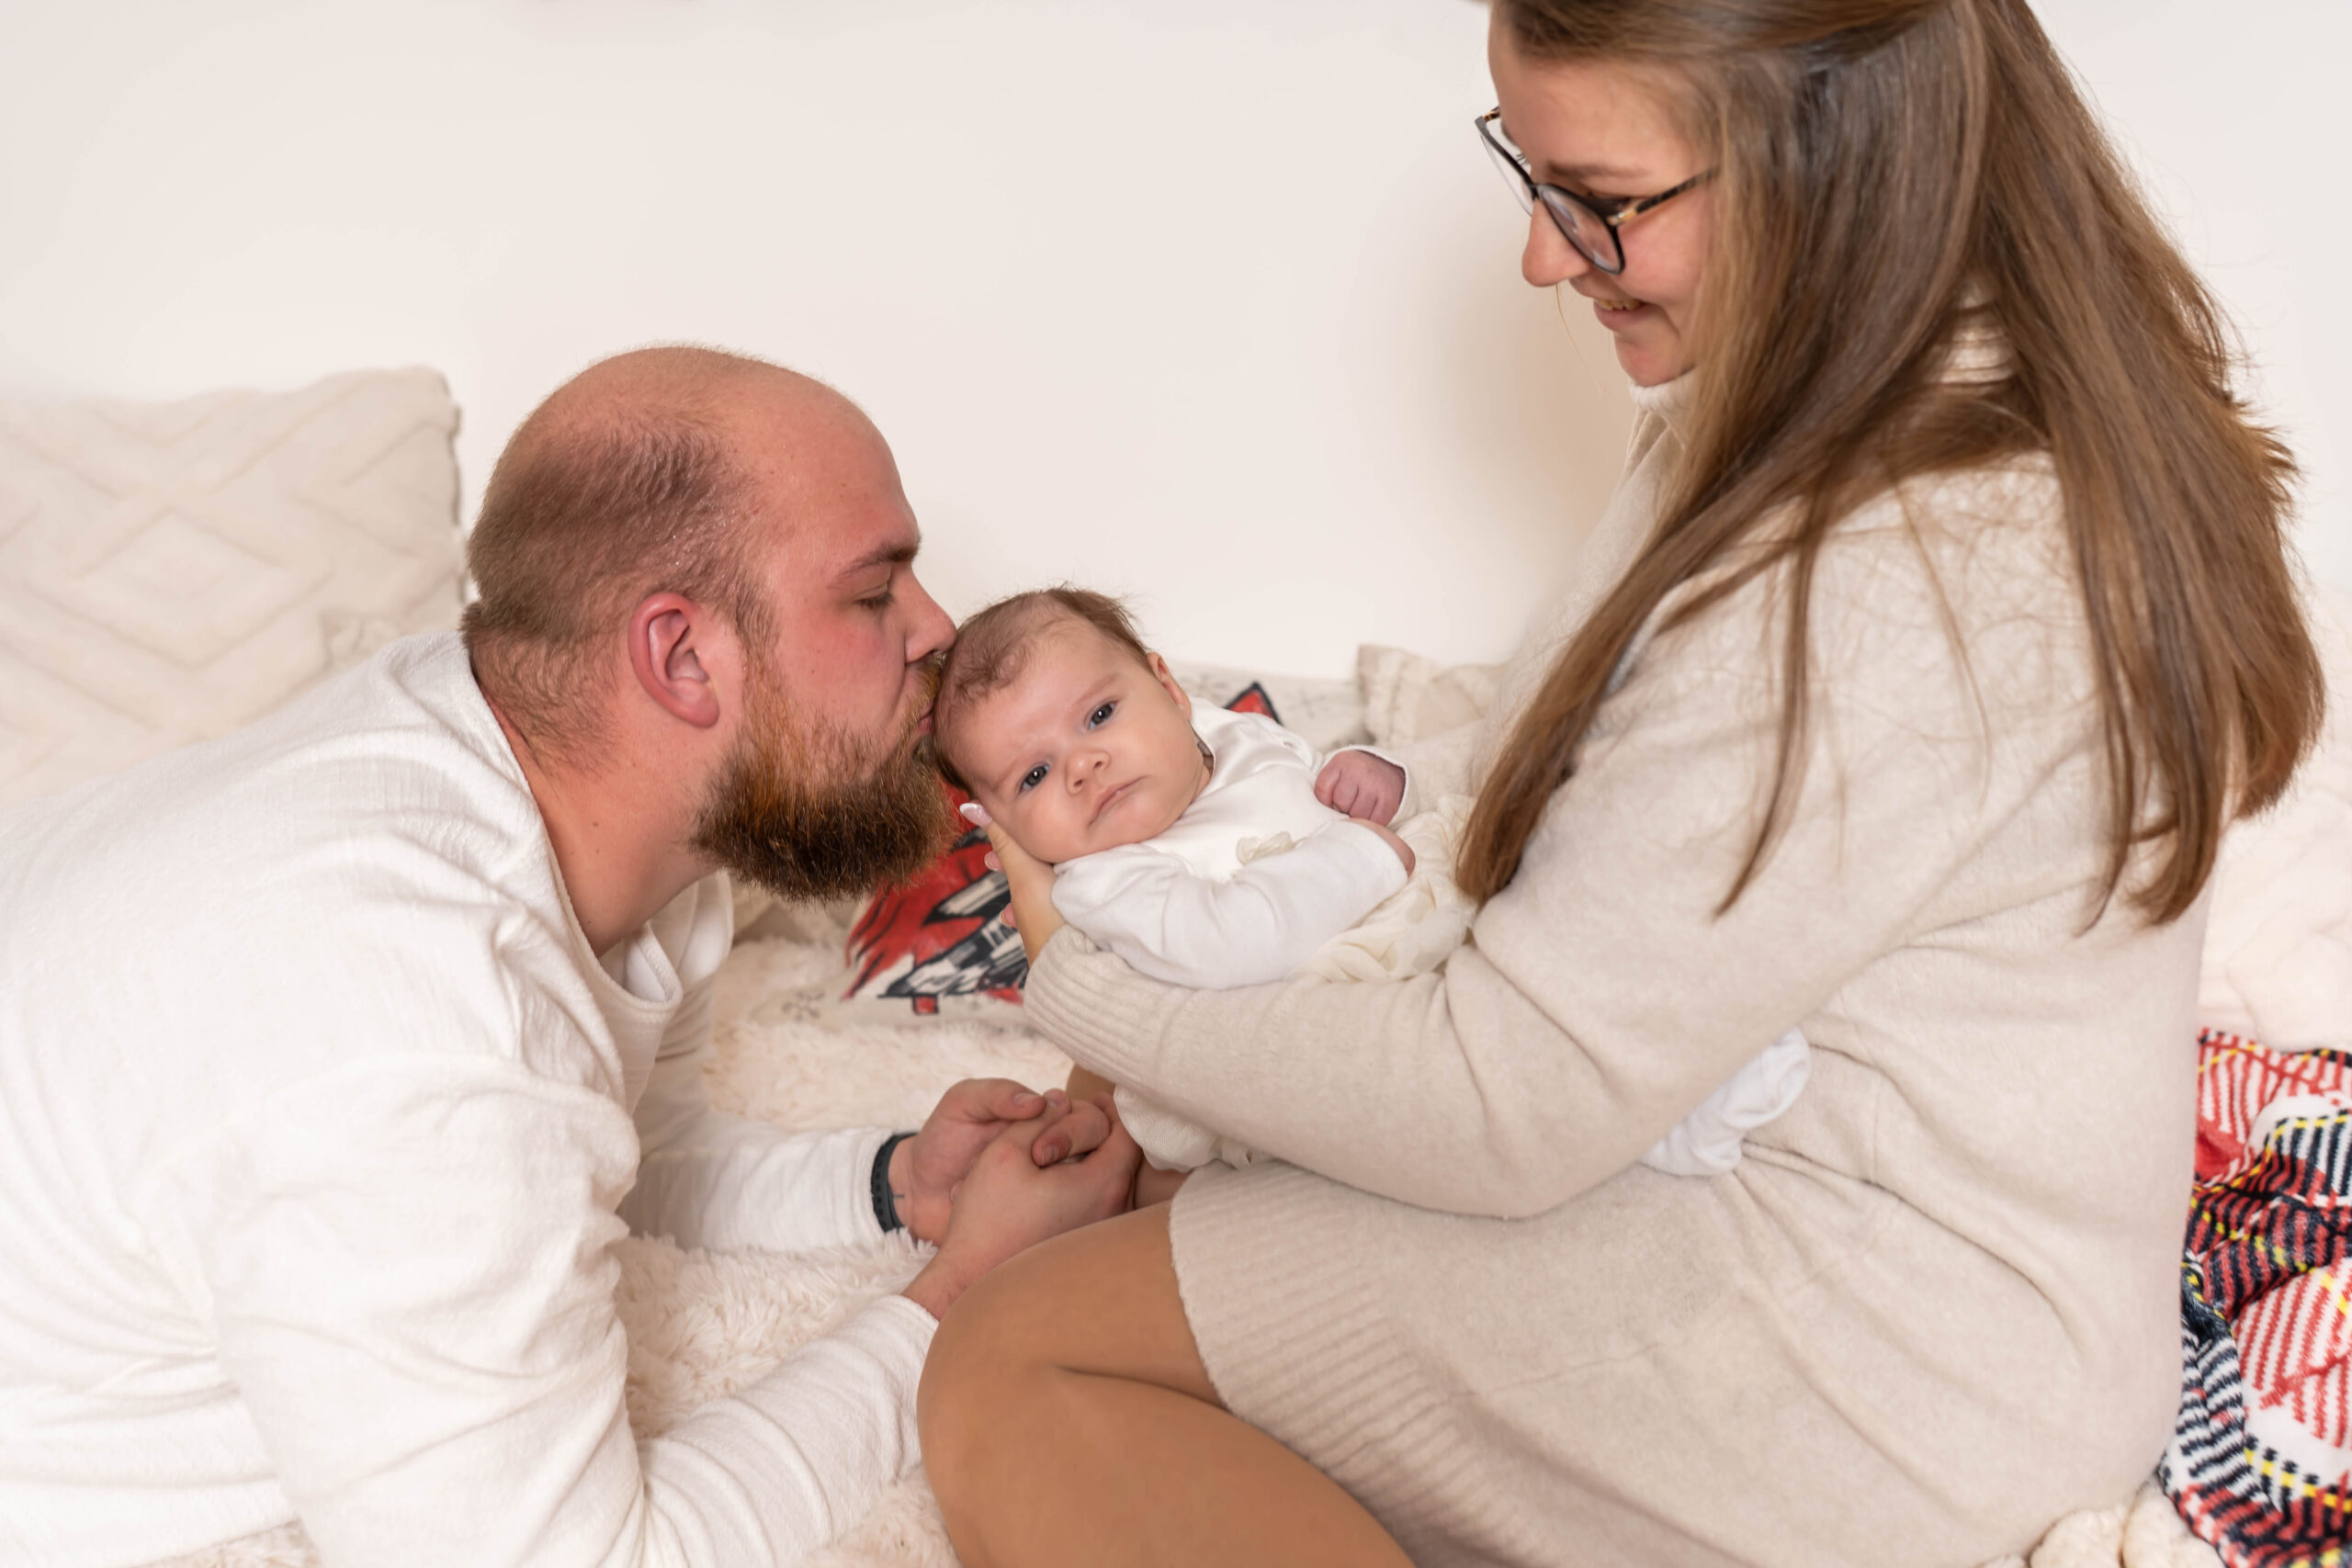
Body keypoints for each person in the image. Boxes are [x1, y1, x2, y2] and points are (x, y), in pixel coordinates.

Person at [917, 1, 2325, 1565]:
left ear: (1832, 159)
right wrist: (1310, 783)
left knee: (1014, 1359)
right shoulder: (1844, 407)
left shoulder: (1893, 564)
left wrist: (1084, 975)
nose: (1542, 255)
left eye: (1597, 199)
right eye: (1528, 175)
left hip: (1895, 1367)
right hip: (1894, 1251)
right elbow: (1574, 747)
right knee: (1181, 1229)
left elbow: (1499, 1102)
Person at [0, 346, 1139, 1568]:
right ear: (682, 658)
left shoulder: (568, 801)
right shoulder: (421, 1033)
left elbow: (610, 1153)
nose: (939, 629)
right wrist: (964, 1291)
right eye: (874, 593)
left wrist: (896, 1181)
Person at [932, 583, 1811, 1180]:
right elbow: (1227, 943)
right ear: (998, 820)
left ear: (1166, 685)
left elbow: (1326, 793)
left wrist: (1379, 778)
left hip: (1404, 911)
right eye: (1033, 776)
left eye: (1098, 713)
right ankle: (1645, 1137)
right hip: (1326, 1010)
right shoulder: (1104, 882)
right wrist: (1367, 852)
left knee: (1549, 870)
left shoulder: (1231, 741)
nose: (1082, 764)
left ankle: (1676, 1032)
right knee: (1468, 1080)